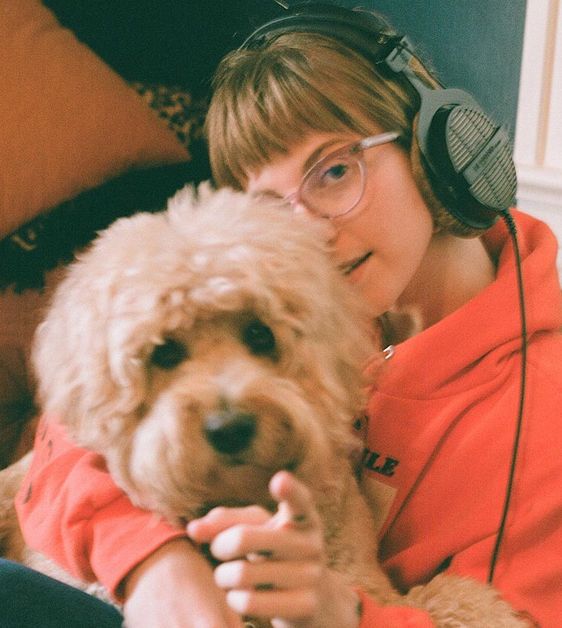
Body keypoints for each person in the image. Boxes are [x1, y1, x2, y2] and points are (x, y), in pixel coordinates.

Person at [9, 3, 562, 627]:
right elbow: (70, 429)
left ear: (437, 150)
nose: (311, 234)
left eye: (333, 170)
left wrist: (339, 610)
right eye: (272, 205)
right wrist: (152, 560)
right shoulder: (296, 303)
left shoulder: (539, 414)